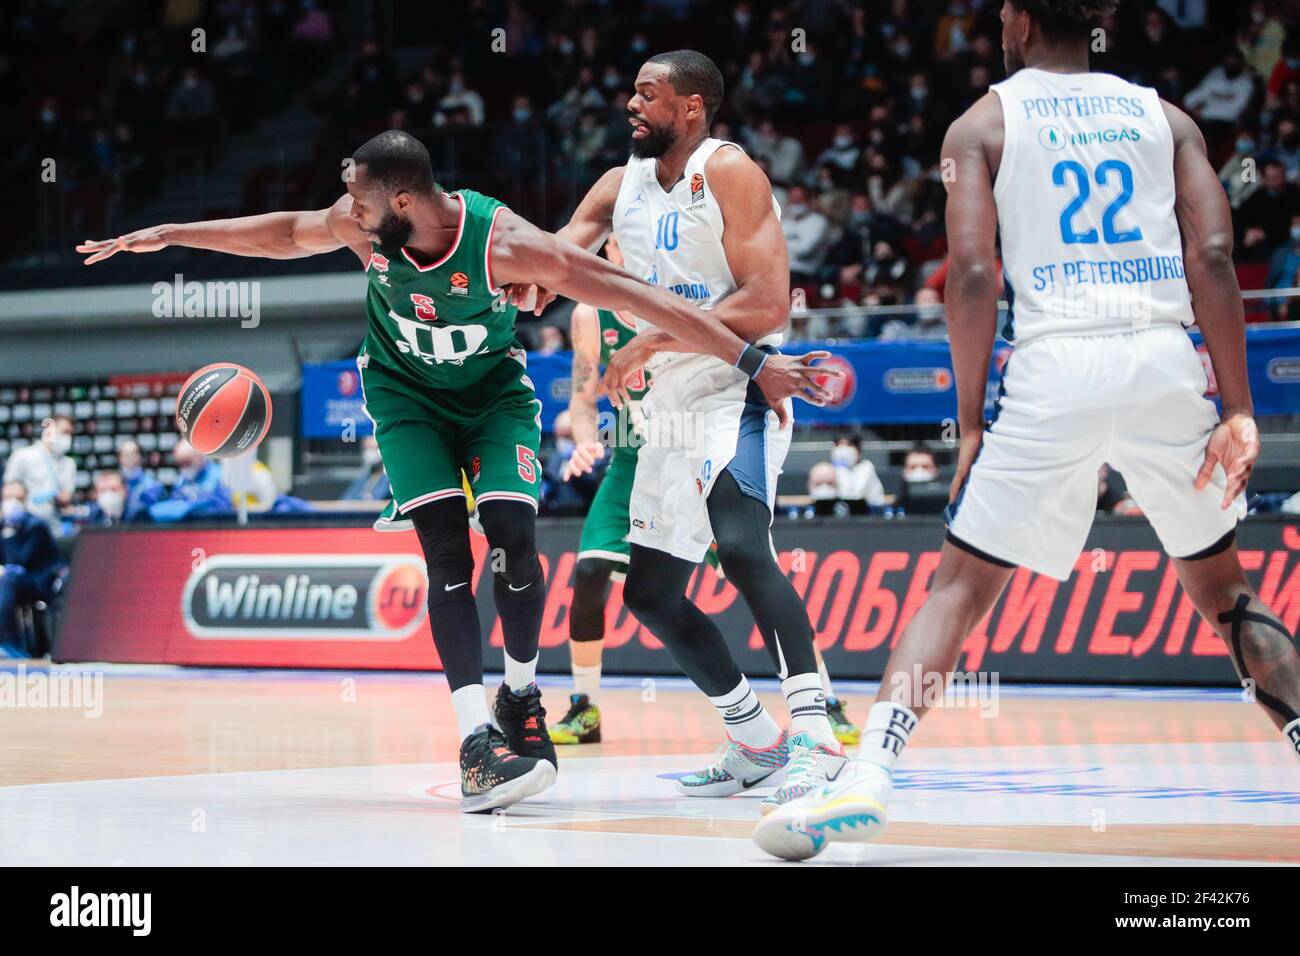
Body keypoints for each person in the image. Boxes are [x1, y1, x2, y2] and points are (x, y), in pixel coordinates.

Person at [79, 128, 832, 814]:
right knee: (446, 554)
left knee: (512, 536)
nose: (348, 211)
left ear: (402, 200)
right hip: (405, 399)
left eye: (362, 200)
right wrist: (172, 235)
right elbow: (283, 234)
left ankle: (521, 693)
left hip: (491, 396)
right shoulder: (360, 224)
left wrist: (752, 359)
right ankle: (477, 740)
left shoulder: (505, 243)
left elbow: (636, 295)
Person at [756, 0, 1300, 860]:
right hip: (1164, 359)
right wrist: (1239, 408)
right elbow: (1214, 260)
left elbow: (972, 274)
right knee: (1226, 594)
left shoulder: (981, 123)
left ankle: (871, 773)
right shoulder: (1167, 116)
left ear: (1014, 21)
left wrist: (970, 422)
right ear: (1098, 20)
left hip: (1057, 362)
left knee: (960, 588)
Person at [512, 50, 848, 812]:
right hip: (662, 406)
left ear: (692, 107)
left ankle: (817, 735)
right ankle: (754, 737)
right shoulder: (617, 182)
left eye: (648, 94)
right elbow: (558, 255)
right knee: (654, 593)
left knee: (738, 544)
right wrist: (514, 278)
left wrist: (652, 339)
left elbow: (768, 304)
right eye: (631, 90)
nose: (631, 103)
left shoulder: (729, 173)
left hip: (737, 382)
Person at [0, 482, 66, 658]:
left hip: (40, 581)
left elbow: (21, 561)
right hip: (12, 583)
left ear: (25, 500)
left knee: (8, 580)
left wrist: (10, 534)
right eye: (6, 498)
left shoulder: (36, 526)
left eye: (17, 498)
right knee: (6, 581)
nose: (11, 502)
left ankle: (11, 644)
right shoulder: (3, 525)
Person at [3, 416, 75, 531]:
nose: (67, 437)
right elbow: (8, 491)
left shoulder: (69, 464)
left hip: (54, 528)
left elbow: (66, 499)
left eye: (70, 434)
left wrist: (55, 496)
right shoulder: (23, 455)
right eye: (64, 432)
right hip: (25, 528)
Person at [148, 441, 233, 522]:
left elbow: (224, 507)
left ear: (199, 458)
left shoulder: (219, 476)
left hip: (213, 529)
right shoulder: (182, 480)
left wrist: (193, 506)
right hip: (187, 530)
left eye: (187, 463)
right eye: (181, 464)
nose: (184, 469)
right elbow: (175, 501)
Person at [115, 439, 164, 521]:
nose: (129, 458)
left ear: (139, 457)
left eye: (133, 454)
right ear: (120, 458)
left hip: (142, 527)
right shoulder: (114, 481)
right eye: (126, 455)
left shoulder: (152, 483)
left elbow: (153, 508)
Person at [341, 436, 390, 500]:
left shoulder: (388, 477)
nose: (370, 452)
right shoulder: (364, 475)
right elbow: (346, 498)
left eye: (374, 448)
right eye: (368, 448)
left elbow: (377, 498)